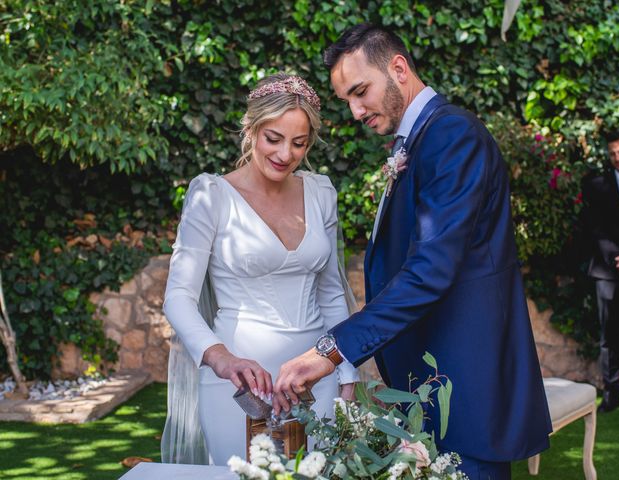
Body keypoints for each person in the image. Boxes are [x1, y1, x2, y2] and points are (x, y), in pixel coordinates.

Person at [273, 24, 552, 479]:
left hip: (463, 395)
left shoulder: (451, 136)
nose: (356, 110)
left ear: (398, 68)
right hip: (429, 388)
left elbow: (428, 271)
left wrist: (330, 350)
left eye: (360, 92)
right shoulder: (419, 140)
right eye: (346, 99)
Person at [161, 73, 359, 466]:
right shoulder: (211, 196)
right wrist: (221, 358)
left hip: (316, 378)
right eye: (274, 138)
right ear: (250, 130)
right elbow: (179, 297)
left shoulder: (321, 193)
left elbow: (333, 293)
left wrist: (347, 376)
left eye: (299, 143)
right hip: (238, 385)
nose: (286, 154)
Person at [581, 130, 619, 413]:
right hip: (608, 270)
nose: (617, 158)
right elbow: (595, 228)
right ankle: (611, 390)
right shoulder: (596, 185)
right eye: (613, 153)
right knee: (610, 335)